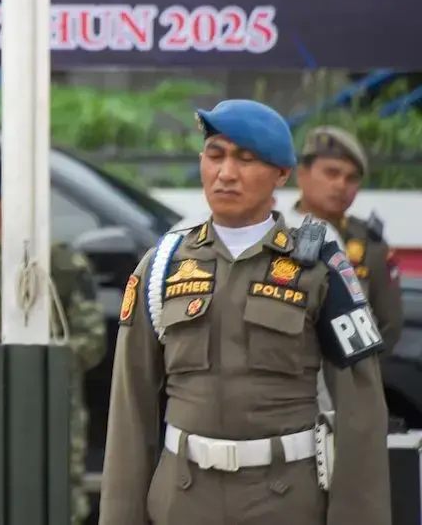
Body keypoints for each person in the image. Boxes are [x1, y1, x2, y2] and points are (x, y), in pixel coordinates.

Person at [100, 99, 391, 525]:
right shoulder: (162, 265)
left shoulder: (319, 266)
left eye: (246, 159)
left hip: (284, 498)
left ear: (281, 174)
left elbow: (360, 410)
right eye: (215, 155)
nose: (226, 173)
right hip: (182, 499)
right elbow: (131, 407)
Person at [0, 158, 105, 525]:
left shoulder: (60, 262)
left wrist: (36, 356)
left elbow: (92, 342)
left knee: (61, 508)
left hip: (52, 414)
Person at [289, 126, 403, 352]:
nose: (341, 185)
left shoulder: (371, 245)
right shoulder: (273, 230)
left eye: (351, 178)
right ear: (302, 175)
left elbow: (389, 326)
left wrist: (356, 380)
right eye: (331, 173)